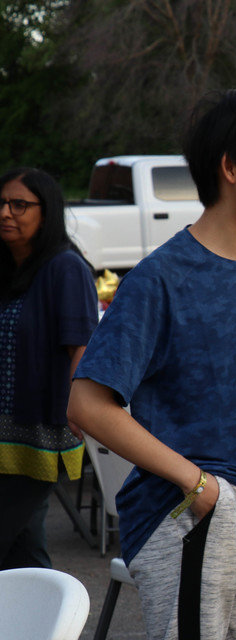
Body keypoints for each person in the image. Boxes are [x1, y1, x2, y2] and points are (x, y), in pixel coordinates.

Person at [68, 84, 236, 640]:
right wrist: (198, 484)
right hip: (189, 515)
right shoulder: (158, 279)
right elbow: (86, 403)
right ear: (230, 167)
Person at [0, 167, 98, 570]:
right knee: (24, 552)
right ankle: (46, 630)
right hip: (2, 433)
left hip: (40, 434)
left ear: (48, 212)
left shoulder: (65, 268)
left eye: (19, 204)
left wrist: (82, 409)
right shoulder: (7, 268)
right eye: (2, 203)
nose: (6, 213)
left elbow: (82, 347)